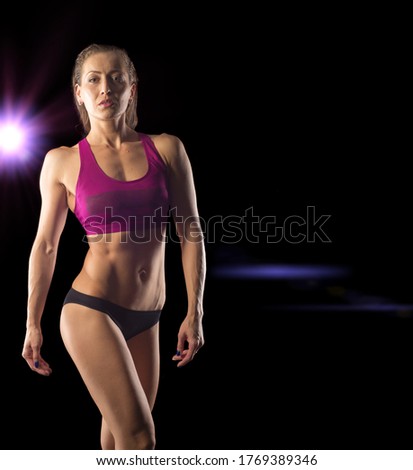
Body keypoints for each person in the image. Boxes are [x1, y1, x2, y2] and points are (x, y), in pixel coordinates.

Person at [21, 43, 206, 450]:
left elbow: (190, 231)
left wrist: (195, 312)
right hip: (92, 308)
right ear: (79, 92)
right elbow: (46, 246)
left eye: (116, 78)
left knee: (117, 441)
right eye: (94, 79)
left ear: (132, 89)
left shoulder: (168, 149)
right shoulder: (63, 161)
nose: (106, 88)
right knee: (140, 440)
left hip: (149, 317)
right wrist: (33, 322)